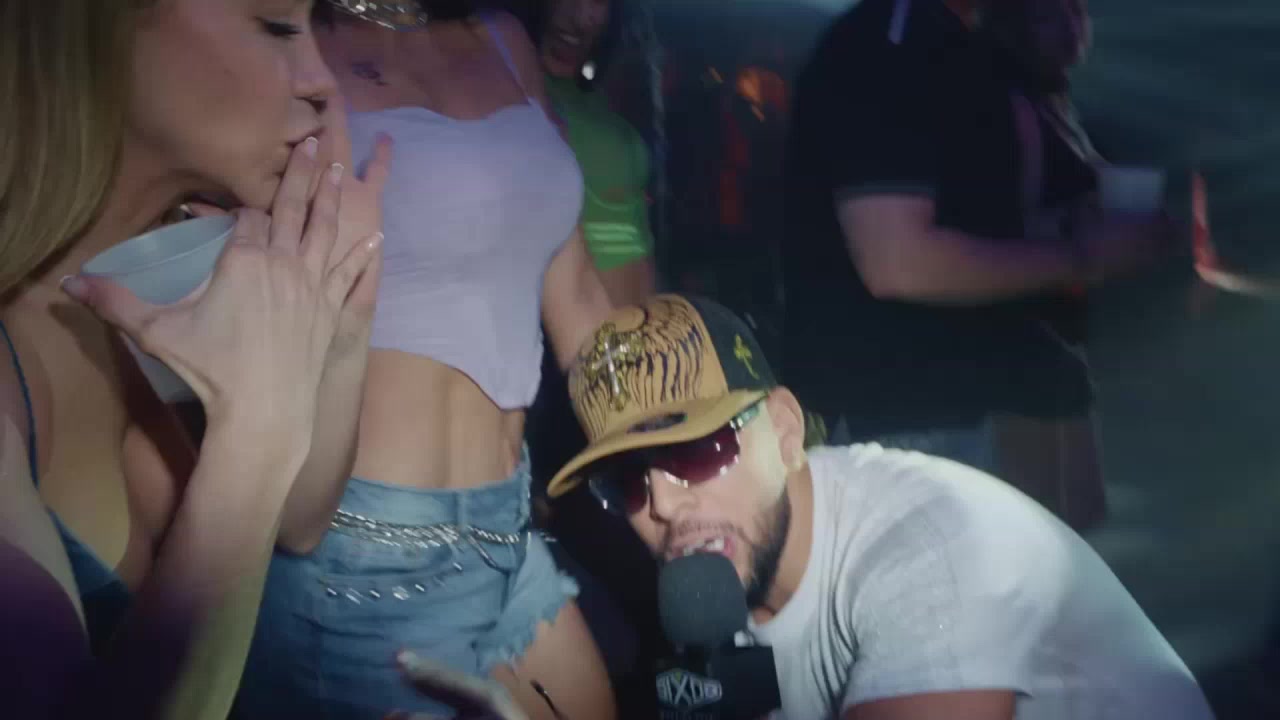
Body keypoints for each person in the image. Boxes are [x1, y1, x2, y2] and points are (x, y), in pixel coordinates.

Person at [545, 294, 1217, 720]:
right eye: (627, 481)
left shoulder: (932, 547)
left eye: (696, 451)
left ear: (784, 431)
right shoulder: (719, 577)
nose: (662, 505)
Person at [0, 0, 387, 717]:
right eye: (276, 25)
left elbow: (298, 521)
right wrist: (256, 433)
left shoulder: (154, 280)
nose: (322, 82)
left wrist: (342, 308)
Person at [236, 2, 617, 718]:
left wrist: (683, 440)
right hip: (361, 554)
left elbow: (576, 293)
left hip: (504, 524)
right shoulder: (295, 36)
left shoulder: (501, 36)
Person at [780, 0, 1169, 478]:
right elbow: (897, 264)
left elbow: (979, 221)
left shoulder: (962, 48)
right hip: (900, 411)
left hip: (975, 395)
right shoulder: (890, 43)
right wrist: (1084, 255)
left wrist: (1070, 224)